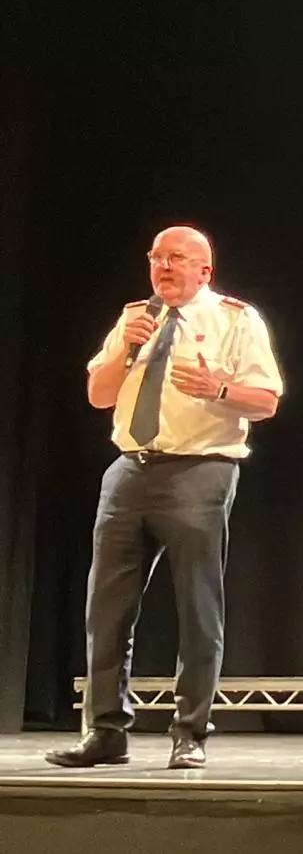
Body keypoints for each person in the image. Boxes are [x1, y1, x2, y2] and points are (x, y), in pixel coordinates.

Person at [46, 225, 284, 770]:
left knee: (197, 607)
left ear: (205, 268)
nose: (163, 266)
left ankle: (190, 732)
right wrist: (125, 349)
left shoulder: (234, 319)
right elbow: (98, 394)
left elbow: (266, 401)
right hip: (130, 469)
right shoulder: (135, 319)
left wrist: (219, 390)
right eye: (156, 257)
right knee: (105, 610)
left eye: (176, 258)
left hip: (201, 469)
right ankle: (105, 731)